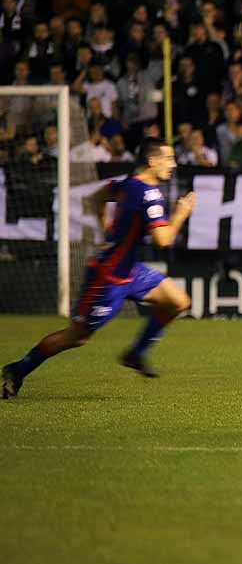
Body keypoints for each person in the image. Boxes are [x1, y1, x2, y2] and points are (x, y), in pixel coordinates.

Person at [2, 138, 196, 398]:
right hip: (107, 279)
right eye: (168, 158)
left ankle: (135, 354)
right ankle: (17, 370)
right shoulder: (150, 194)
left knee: (178, 301)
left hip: (130, 270)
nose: (173, 164)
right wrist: (181, 213)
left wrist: (105, 227)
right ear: (152, 161)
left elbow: (97, 197)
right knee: (76, 337)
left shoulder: (127, 183)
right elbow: (163, 239)